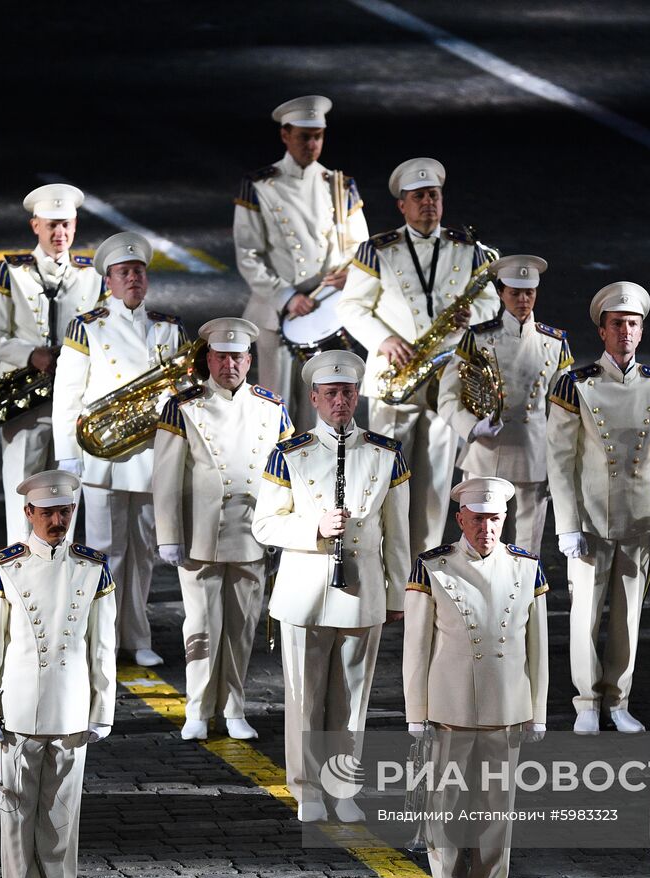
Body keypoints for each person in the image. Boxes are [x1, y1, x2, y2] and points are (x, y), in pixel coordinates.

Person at [252, 350, 409, 823]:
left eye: (348, 392)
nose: (341, 401)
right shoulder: (289, 453)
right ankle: (306, 789)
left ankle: (343, 788)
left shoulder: (385, 453)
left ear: (358, 396)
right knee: (304, 697)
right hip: (304, 593)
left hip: (362, 592)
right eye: (332, 393)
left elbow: (398, 533)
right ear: (314, 398)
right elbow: (263, 525)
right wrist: (313, 528)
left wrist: (398, 596)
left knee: (352, 700)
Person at [0, 469, 115, 878]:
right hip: (20, 708)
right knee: (16, 814)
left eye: (65, 511)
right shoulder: (2, 566)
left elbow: (102, 646)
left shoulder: (93, 566)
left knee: (62, 816)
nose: (57, 520)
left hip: (72, 707)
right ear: (28, 513)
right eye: (48, 512)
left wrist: (102, 708)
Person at [403, 476, 549, 878]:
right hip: (450, 709)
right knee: (445, 810)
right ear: (460, 518)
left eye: (495, 518)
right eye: (478, 518)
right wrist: (415, 712)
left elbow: (537, 647)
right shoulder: (433, 566)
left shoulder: (527, 568)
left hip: (506, 708)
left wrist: (537, 710)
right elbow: (416, 648)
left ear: (505, 519)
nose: (486, 527)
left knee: (495, 814)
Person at [337, 157, 500, 556]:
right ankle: (381, 562)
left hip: (447, 378)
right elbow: (351, 307)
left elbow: (493, 304)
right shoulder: (377, 250)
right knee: (385, 479)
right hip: (396, 377)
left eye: (434, 195)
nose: (428, 202)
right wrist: (384, 340)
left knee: (435, 483)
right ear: (402, 205)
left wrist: (472, 315)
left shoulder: (469, 249)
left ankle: (422, 570)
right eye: (419, 196)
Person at [153, 317, 292, 740]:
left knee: (241, 628)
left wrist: (285, 528)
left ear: (249, 360)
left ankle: (234, 707)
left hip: (253, 533)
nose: (229, 364)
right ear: (208, 359)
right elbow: (165, 477)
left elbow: (289, 473)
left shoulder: (272, 407)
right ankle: (197, 708)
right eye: (221, 356)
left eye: (237, 357)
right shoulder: (183, 406)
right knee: (200, 625)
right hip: (201, 535)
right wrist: (169, 535)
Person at [52, 231, 186, 668]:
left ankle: (136, 636)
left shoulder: (167, 327)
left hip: (151, 455)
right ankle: (101, 639)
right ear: (108, 281)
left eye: (139, 272)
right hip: (103, 456)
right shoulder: (88, 325)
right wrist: (68, 453)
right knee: (106, 550)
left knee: (144, 551)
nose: (133, 279)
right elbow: (67, 393)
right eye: (124, 273)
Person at [547, 281, 650, 734]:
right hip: (590, 518)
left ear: (642, 332)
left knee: (628, 616)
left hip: (639, 518)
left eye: (633, 324)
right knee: (584, 613)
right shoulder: (575, 385)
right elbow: (560, 461)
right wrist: (567, 523)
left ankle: (619, 699)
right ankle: (586, 700)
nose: (625, 331)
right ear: (601, 331)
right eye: (617, 324)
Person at [233, 95, 367, 428]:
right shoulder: (259, 186)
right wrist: (288, 297)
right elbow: (248, 255)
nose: (312, 144)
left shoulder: (339, 185)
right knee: (274, 414)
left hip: (327, 313)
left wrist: (350, 274)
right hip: (278, 313)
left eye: (317, 136)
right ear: (285, 135)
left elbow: (361, 250)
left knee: (322, 416)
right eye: (304, 136)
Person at [0, 183, 102, 535]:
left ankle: (60, 575)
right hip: (24, 399)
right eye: (52, 225)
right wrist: (31, 355)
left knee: (66, 495)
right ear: (36, 226)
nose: (60, 233)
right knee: (24, 492)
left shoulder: (92, 276)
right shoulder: (10, 272)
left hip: (72, 399)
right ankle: (20, 579)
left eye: (66, 225)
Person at [437, 254, 571, 552]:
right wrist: (472, 426)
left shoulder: (555, 343)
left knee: (528, 551)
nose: (523, 300)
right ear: (500, 293)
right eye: (515, 293)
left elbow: (562, 412)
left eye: (529, 293)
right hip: (486, 454)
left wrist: (559, 460)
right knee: (479, 546)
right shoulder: (478, 338)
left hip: (532, 455)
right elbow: (446, 396)